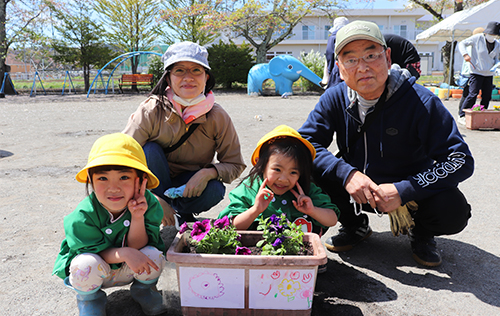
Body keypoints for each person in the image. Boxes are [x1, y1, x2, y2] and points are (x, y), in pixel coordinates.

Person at [298, 20, 474, 267]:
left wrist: (405, 190)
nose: (363, 67)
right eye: (351, 60)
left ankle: (421, 231)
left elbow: (460, 160)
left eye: (371, 55)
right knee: (304, 173)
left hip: (411, 195)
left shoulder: (421, 101)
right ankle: (355, 224)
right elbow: (304, 142)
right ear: (339, 66)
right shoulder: (334, 98)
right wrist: (348, 175)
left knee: (452, 209)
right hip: (357, 192)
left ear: (388, 57)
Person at [123, 41, 246, 227]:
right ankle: (153, 210)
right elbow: (122, 156)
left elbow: (235, 164)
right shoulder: (151, 110)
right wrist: (152, 196)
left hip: (188, 185)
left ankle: (181, 213)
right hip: (151, 184)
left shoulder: (217, 116)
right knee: (149, 150)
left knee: (214, 188)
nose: (188, 77)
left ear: (206, 77)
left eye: (196, 70)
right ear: (168, 78)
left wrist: (209, 172)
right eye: (179, 70)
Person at [52, 133, 167, 316]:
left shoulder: (149, 204)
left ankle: (143, 290)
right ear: (90, 180)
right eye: (103, 179)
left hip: (132, 267)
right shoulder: (82, 215)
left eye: (124, 178)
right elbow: (91, 251)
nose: (113, 188)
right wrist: (123, 252)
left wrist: (137, 216)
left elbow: (140, 247)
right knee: (84, 264)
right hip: (98, 271)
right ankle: (90, 301)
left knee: (154, 255)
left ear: (141, 180)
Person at [218, 125, 339, 236]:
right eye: (277, 169)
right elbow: (230, 226)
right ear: (260, 164)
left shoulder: (306, 189)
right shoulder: (249, 189)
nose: (283, 179)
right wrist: (255, 210)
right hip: (257, 252)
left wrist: (312, 210)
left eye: (293, 172)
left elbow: (332, 220)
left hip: (299, 251)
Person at [457, 21, 500, 125]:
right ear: (486, 33)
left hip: (489, 73)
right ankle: (462, 115)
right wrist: (465, 54)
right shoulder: (477, 38)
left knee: (487, 95)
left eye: (494, 35)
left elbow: (496, 58)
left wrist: (497, 65)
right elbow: (462, 43)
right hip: (476, 71)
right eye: (491, 34)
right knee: (473, 94)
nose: (492, 36)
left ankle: (482, 113)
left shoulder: (497, 44)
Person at [457, 27, 485, 116]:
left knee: (467, 93)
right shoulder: (473, 46)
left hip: (467, 72)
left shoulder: (469, 45)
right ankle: (463, 112)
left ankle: (461, 111)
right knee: (470, 94)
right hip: (471, 72)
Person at [321, 17, 349, 89]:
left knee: (335, 91)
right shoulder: (350, 37)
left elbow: (330, 54)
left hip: (337, 68)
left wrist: (329, 70)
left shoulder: (333, 37)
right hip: (350, 67)